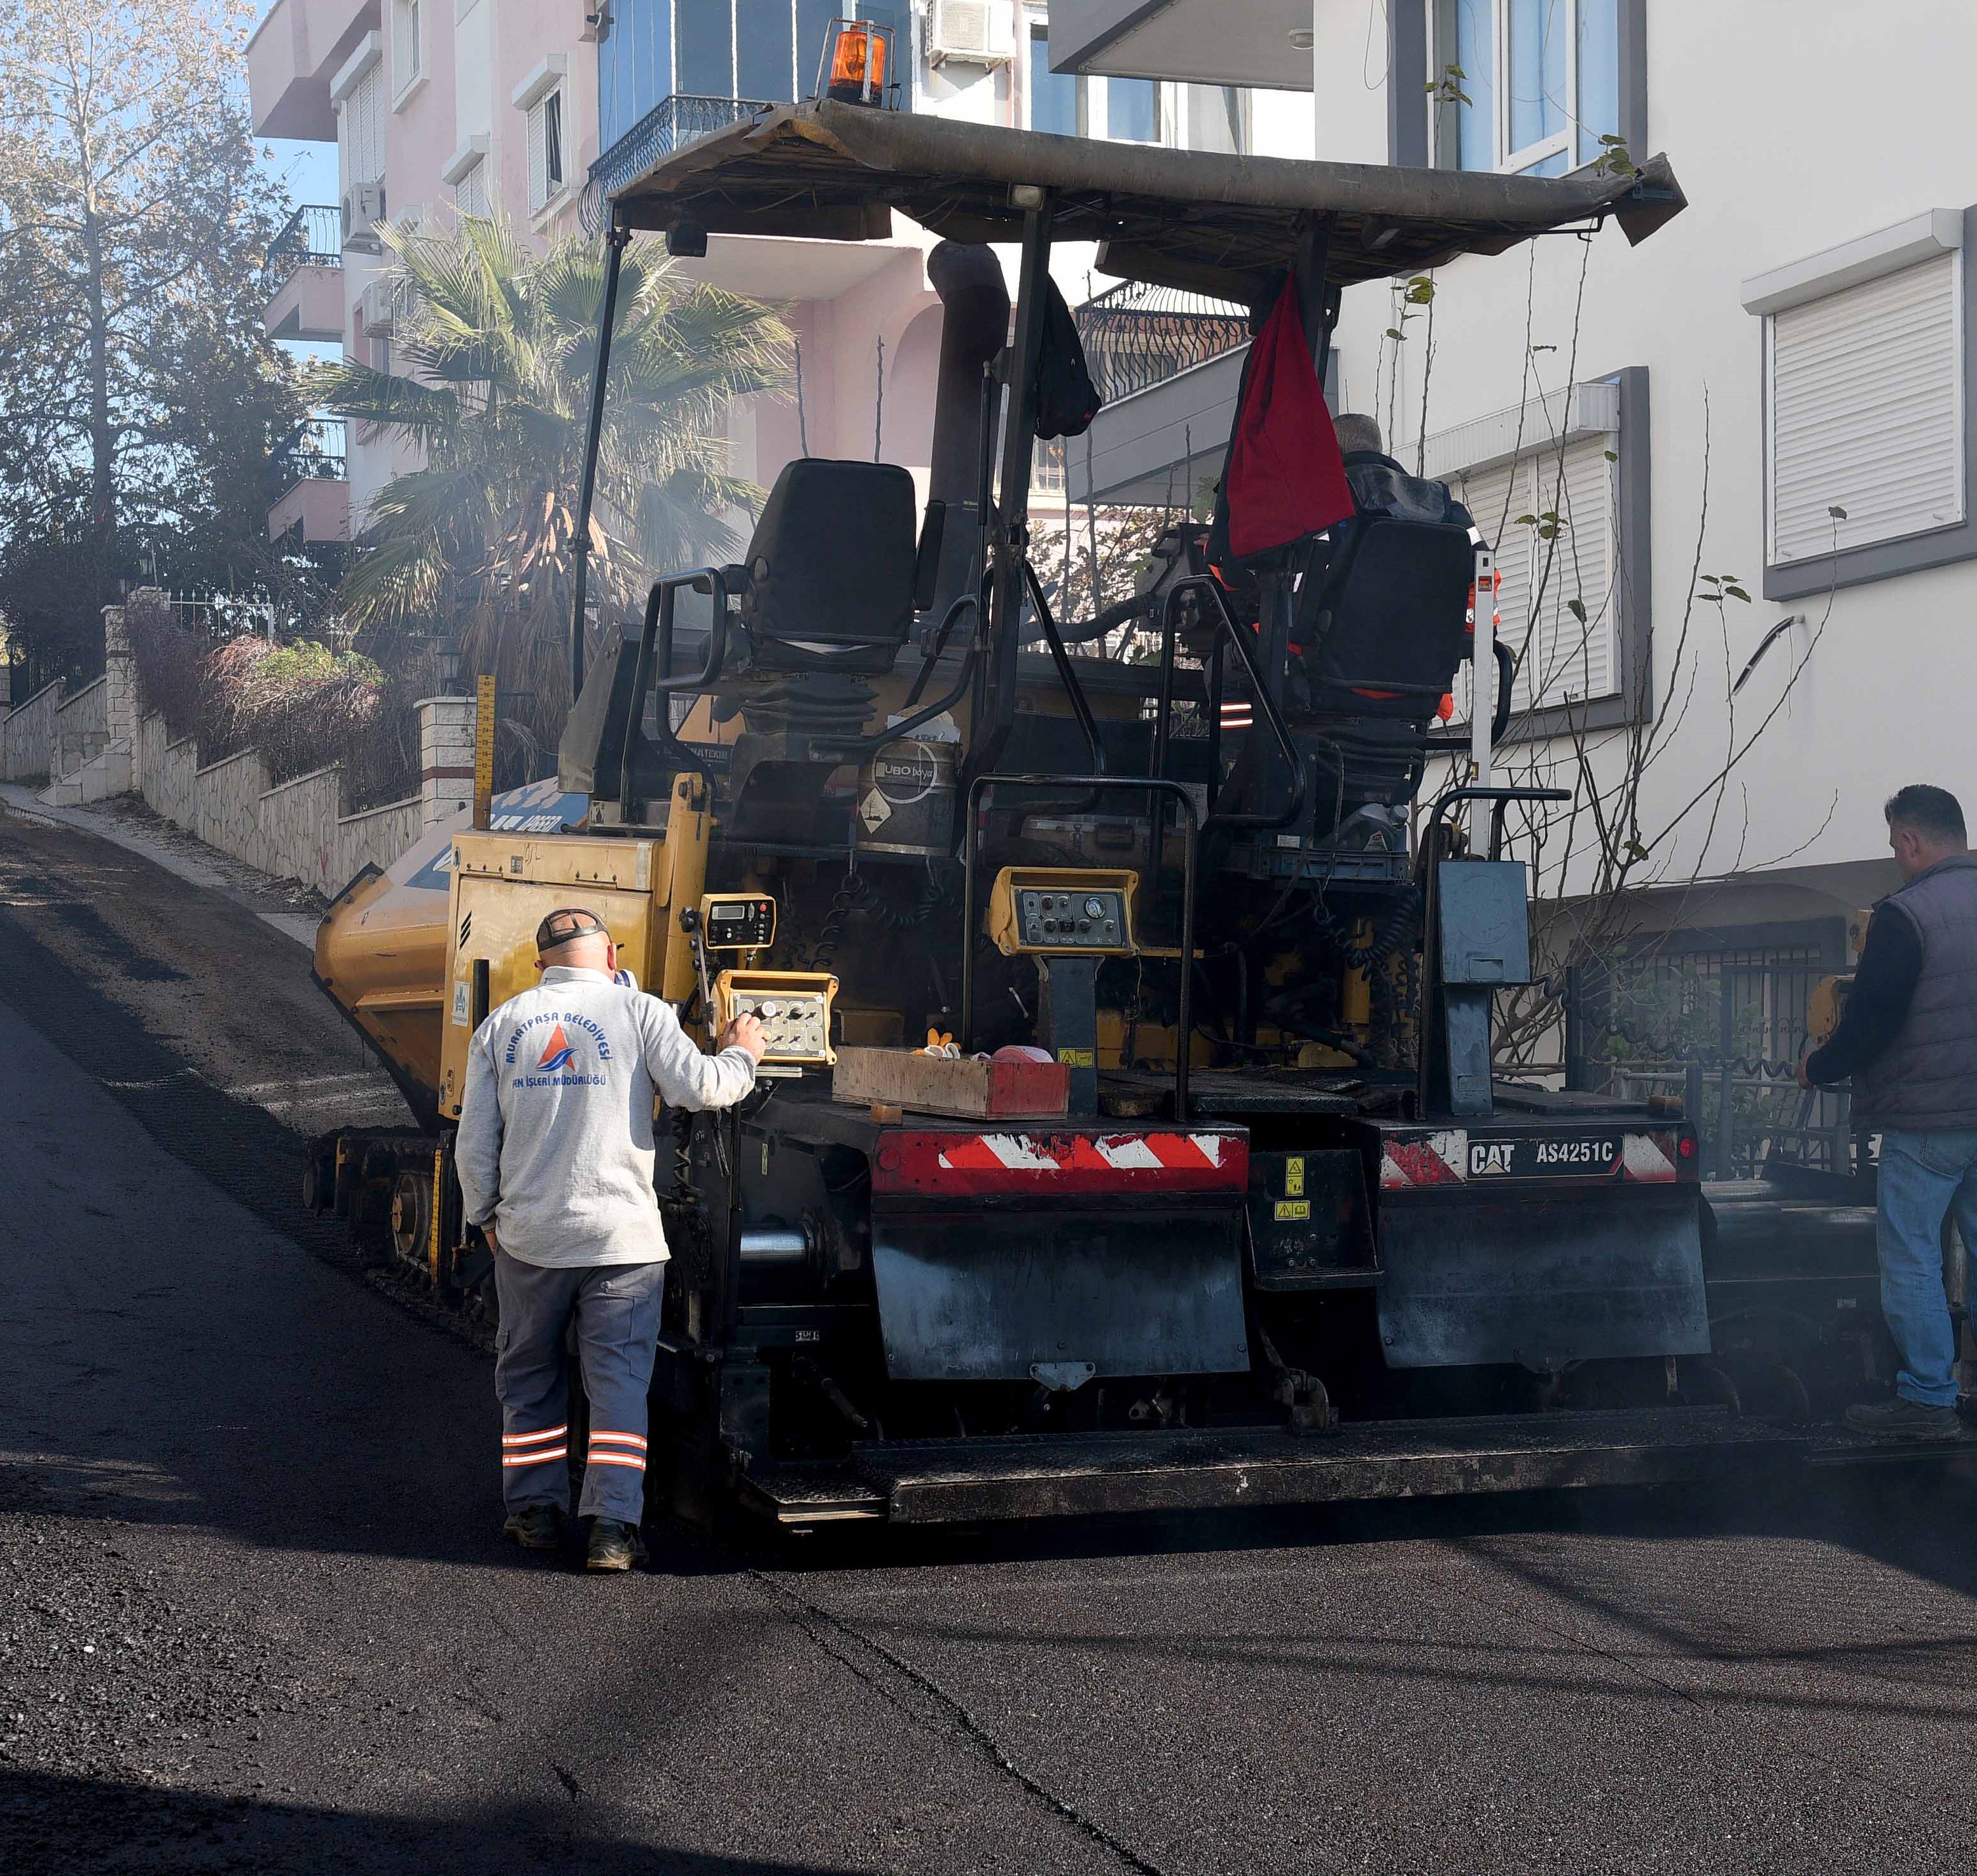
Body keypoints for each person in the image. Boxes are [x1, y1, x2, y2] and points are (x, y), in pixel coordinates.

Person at [456, 907, 767, 1569]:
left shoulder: (500, 1026)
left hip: (531, 1239)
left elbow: (474, 1144)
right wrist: (745, 1049)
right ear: (612, 953)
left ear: (542, 966)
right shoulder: (642, 1012)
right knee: (619, 1385)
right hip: (622, 1244)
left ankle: (535, 1514)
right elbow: (706, 1088)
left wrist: (487, 1219)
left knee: (529, 1378)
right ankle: (613, 1530)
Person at [1801, 784, 1977, 1441]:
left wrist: (1819, 1067)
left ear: (1910, 841)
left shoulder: (1906, 915)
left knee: (1913, 1260)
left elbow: (1872, 1019)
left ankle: (1930, 1399)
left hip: (1927, 1123)